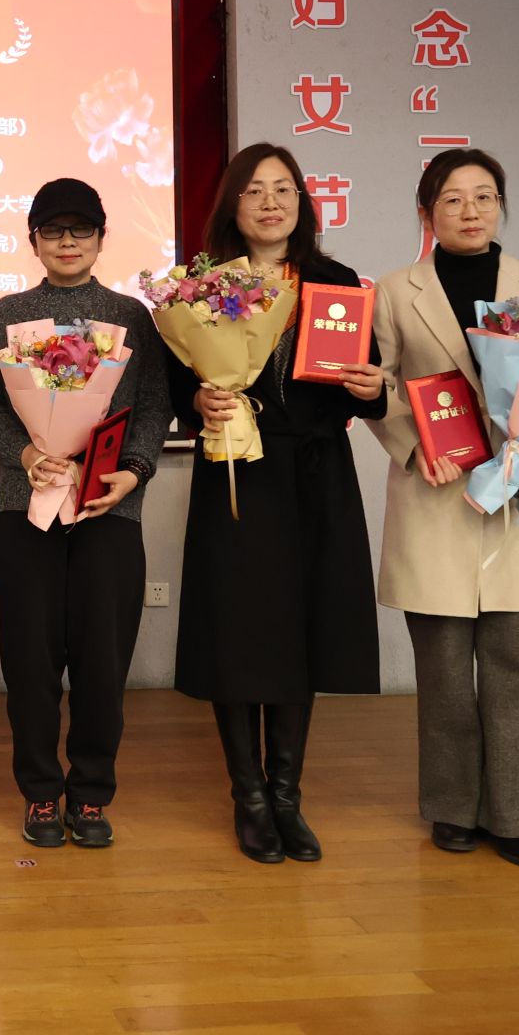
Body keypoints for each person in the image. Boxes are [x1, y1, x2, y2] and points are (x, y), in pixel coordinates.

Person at [369, 148, 519, 869]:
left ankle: (516, 816)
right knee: (441, 670)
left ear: (501, 205)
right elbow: (378, 388)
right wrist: (413, 447)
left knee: (517, 664)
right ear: (426, 212)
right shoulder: (395, 291)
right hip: (438, 490)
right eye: (453, 199)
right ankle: (452, 808)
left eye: (485, 197)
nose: (471, 211)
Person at [167, 144, 384, 864]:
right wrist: (197, 401)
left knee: (301, 627)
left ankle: (287, 794)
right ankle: (249, 796)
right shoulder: (203, 286)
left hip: (315, 472)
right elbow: (175, 381)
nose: (270, 202)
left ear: (302, 202)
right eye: (255, 190)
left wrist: (372, 389)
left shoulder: (336, 281)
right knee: (238, 629)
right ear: (232, 204)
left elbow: (364, 385)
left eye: (284, 189)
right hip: (237, 467)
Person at [0, 177, 171, 849]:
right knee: (30, 662)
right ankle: (40, 792)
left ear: (101, 237)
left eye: (81, 229)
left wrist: (133, 470)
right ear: (33, 239)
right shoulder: (8, 313)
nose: (68, 241)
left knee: (101, 661)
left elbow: (153, 405)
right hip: (23, 508)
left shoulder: (131, 315)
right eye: (53, 230)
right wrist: (28, 454)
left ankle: (90, 794)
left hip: (107, 508)